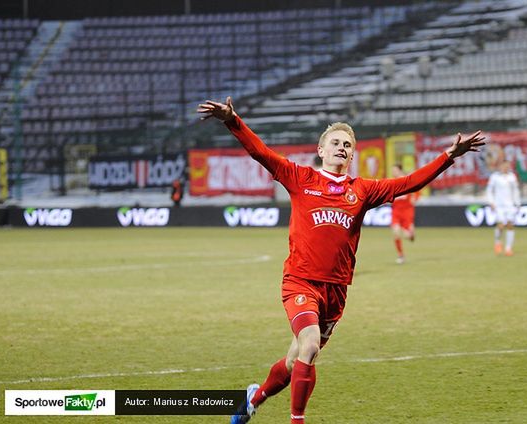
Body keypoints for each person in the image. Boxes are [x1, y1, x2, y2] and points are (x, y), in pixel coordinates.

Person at [196, 96, 485, 424]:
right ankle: (297, 420)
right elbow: (260, 152)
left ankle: (253, 399)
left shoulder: (362, 190)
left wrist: (449, 156)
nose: (342, 148)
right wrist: (233, 120)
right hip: (300, 281)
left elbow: (409, 183)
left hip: (336, 291)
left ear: (352, 154)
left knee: (295, 361)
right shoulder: (300, 178)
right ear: (321, 150)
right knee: (309, 345)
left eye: (348, 144)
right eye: (335, 142)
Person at [486, 160, 521, 256]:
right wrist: (491, 202)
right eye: (503, 166)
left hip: (510, 205)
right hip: (499, 205)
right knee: (501, 226)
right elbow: (489, 190)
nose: (505, 168)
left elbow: (515, 191)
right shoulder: (495, 177)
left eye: (507, 166)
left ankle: (508, 249)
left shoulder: (512, 177)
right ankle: (497, 242)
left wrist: (517, 203)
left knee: (510, 226)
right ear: (499, 167)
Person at [390, 163, 419, 264]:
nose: (393, 172)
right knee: (396, 233)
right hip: (396, 211)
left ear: (400, 170)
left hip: (407, 211)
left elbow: (417, 189)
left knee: (408, 236)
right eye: (392, 170)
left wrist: (415, 198)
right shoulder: (392, 182)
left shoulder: (406, 180)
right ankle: (401, 255)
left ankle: (411, 235)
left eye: (394, 170)